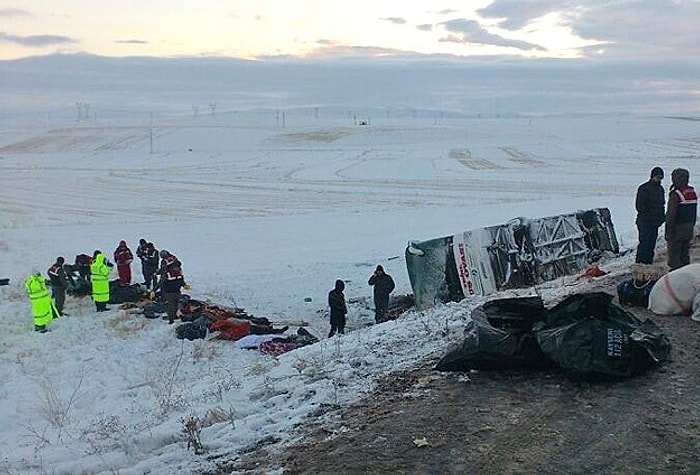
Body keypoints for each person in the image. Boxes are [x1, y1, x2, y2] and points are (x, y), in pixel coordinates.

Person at [665, 168, 697, 270]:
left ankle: (675, 279)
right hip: (689, 227)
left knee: (675, 256)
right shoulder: (691, 192)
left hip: (677, 229)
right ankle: (685, 274)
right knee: (684, 254)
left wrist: (668, 230)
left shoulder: (676, 194)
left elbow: (671, 214)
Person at [635, 167, 665, 264]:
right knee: (644, 244)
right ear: (652, 176)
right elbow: (640, 206)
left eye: (660, 177)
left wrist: (661, 218)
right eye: (657, 177)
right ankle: (639, 265)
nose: (658, 179)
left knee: (651, 245)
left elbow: (661, 205)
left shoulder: (660, 189)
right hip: (645, 223)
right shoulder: (644, 188)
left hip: (655, 223)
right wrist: (649, 217)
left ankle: (648, 264)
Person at [155, 249, 186, 324]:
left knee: (175, 304)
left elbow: (181, 278)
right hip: (169, 292)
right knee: (170, 306)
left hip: (176, 291)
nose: (178, 269)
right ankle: (171, 320)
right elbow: (161, 281)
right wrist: (154, 290)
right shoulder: (169, 272)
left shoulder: (167, 263)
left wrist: (184, 284)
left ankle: (174, 316)